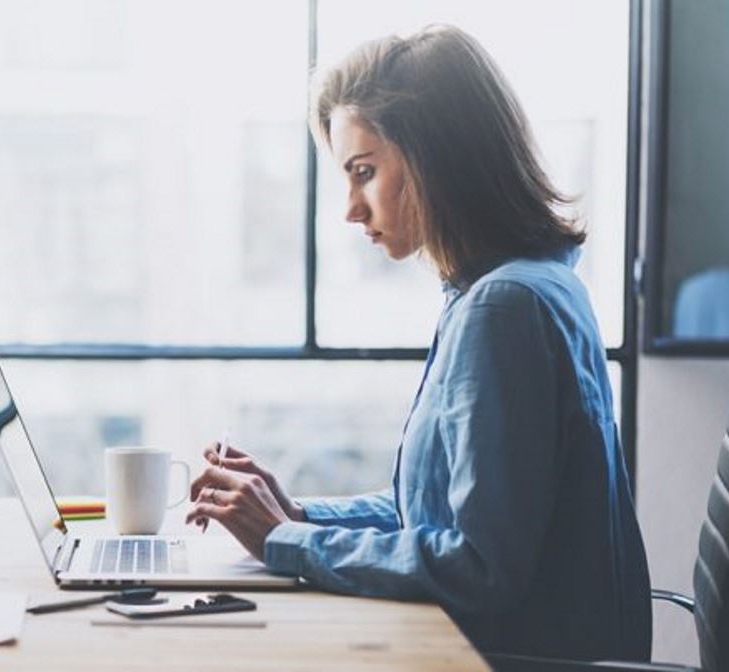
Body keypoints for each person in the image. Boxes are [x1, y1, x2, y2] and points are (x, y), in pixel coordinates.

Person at [186, 25, 652, 662]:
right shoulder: (520, 286)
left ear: (437, 158)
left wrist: (286, 540)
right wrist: (297, 515)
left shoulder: (502, 308)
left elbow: (477, 566)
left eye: (365, 172)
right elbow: (434, 512)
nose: (351, 208)